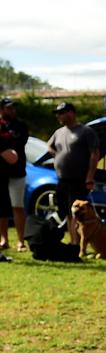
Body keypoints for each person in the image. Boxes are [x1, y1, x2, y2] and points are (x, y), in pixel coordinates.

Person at [46, 102, 99, 241]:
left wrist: (90, 177)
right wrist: (58, 155)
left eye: (62, 113)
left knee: (75, 212)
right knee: (65, 211)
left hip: (79, 179)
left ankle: (77, 242)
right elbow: (49, 146)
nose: (59, 116)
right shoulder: (58, 132)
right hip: (62, 179)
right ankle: (73, 239)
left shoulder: (85, 131)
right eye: (58, 113)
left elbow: (94, 154)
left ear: (71, 113)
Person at [0, 98, 30, 251]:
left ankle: (21, 241)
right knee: (1, 208)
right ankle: (4, 240)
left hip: (17, 172)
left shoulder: (21, 125)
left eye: (13, 108)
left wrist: (5, 149)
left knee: (17, 206)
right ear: (2, 109)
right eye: (8, 108)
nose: (12, 110)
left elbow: (18, 143)